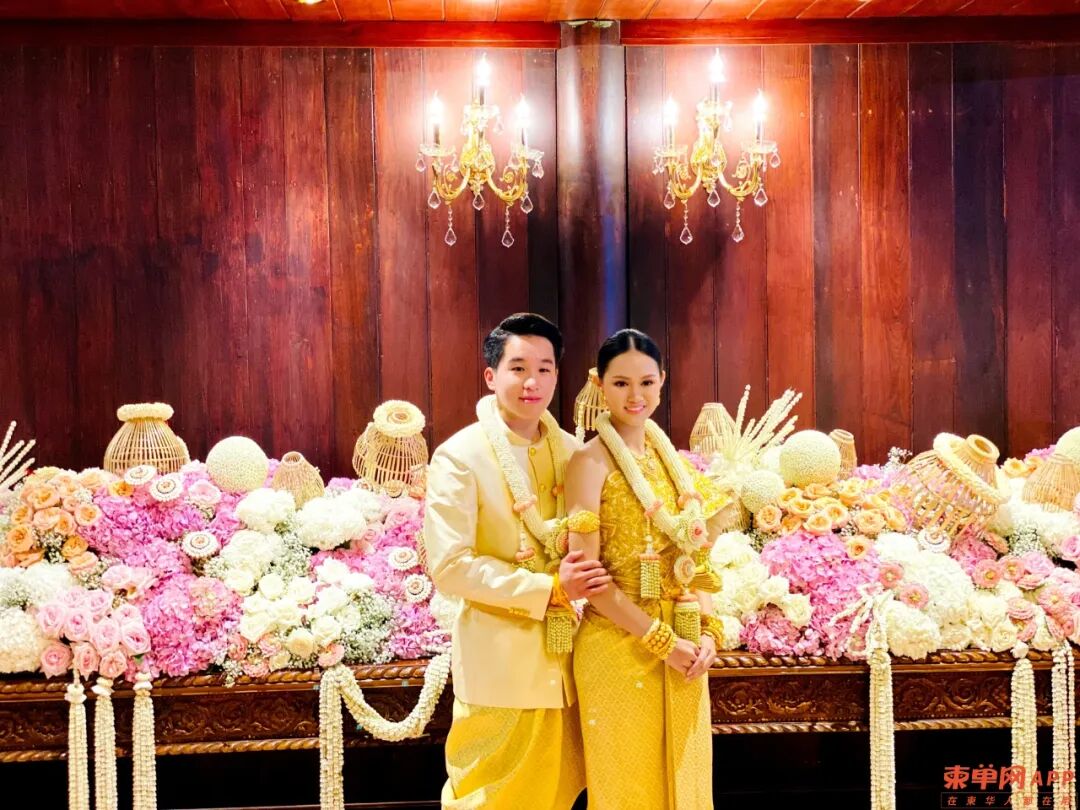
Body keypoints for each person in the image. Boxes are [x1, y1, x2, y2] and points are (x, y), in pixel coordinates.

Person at [424, 312, 612, 809]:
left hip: (570, 661)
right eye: (519, 368)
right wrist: (549, 588)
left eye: (545, 369)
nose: (533, 382)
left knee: (560, 794)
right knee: (487, 798)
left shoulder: (573, 452)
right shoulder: (460, 457)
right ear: (491, 376)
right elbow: (450, 566)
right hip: (500, 663)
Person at [564, 328, 731, 809]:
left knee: (688, 782)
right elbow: (589, 579)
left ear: (662, 381)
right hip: (618, 645)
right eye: (620, 383)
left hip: (685, 643)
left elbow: (695, 556)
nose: (634, 396)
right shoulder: (588, 462)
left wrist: (708, 633)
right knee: (627, 790)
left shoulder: (672, 460)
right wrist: (661, 641)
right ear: (599, 385)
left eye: (646, 382)